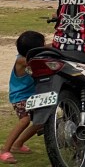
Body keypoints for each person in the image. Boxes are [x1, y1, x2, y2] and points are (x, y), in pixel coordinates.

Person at [2, 31, 45, 163]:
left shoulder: (27, 56)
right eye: (42, 46)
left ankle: (18, 144)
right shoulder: (22, 60)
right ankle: (4, 150)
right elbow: (40, 62)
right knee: (25, 120)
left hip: (31, 96)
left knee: (42, 120)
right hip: (19, 97)